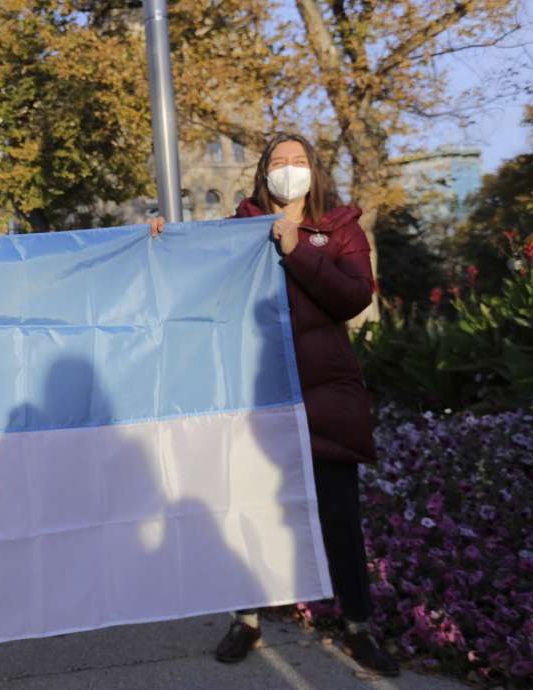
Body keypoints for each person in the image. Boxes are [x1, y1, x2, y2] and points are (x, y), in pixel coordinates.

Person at [150, 133, 400, 677]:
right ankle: (247, 619)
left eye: (299, 161)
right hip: (254, 396)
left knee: (339, 518)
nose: (290, 170)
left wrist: (297, 250)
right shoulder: (238, 230)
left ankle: (357, 626)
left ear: (315, 171)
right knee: (250, 512)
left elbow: (354, 296)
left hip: (323, 395)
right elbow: (190, 275)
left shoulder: (340, 229)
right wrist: (160, 241)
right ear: (263, 175)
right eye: (279, 163)